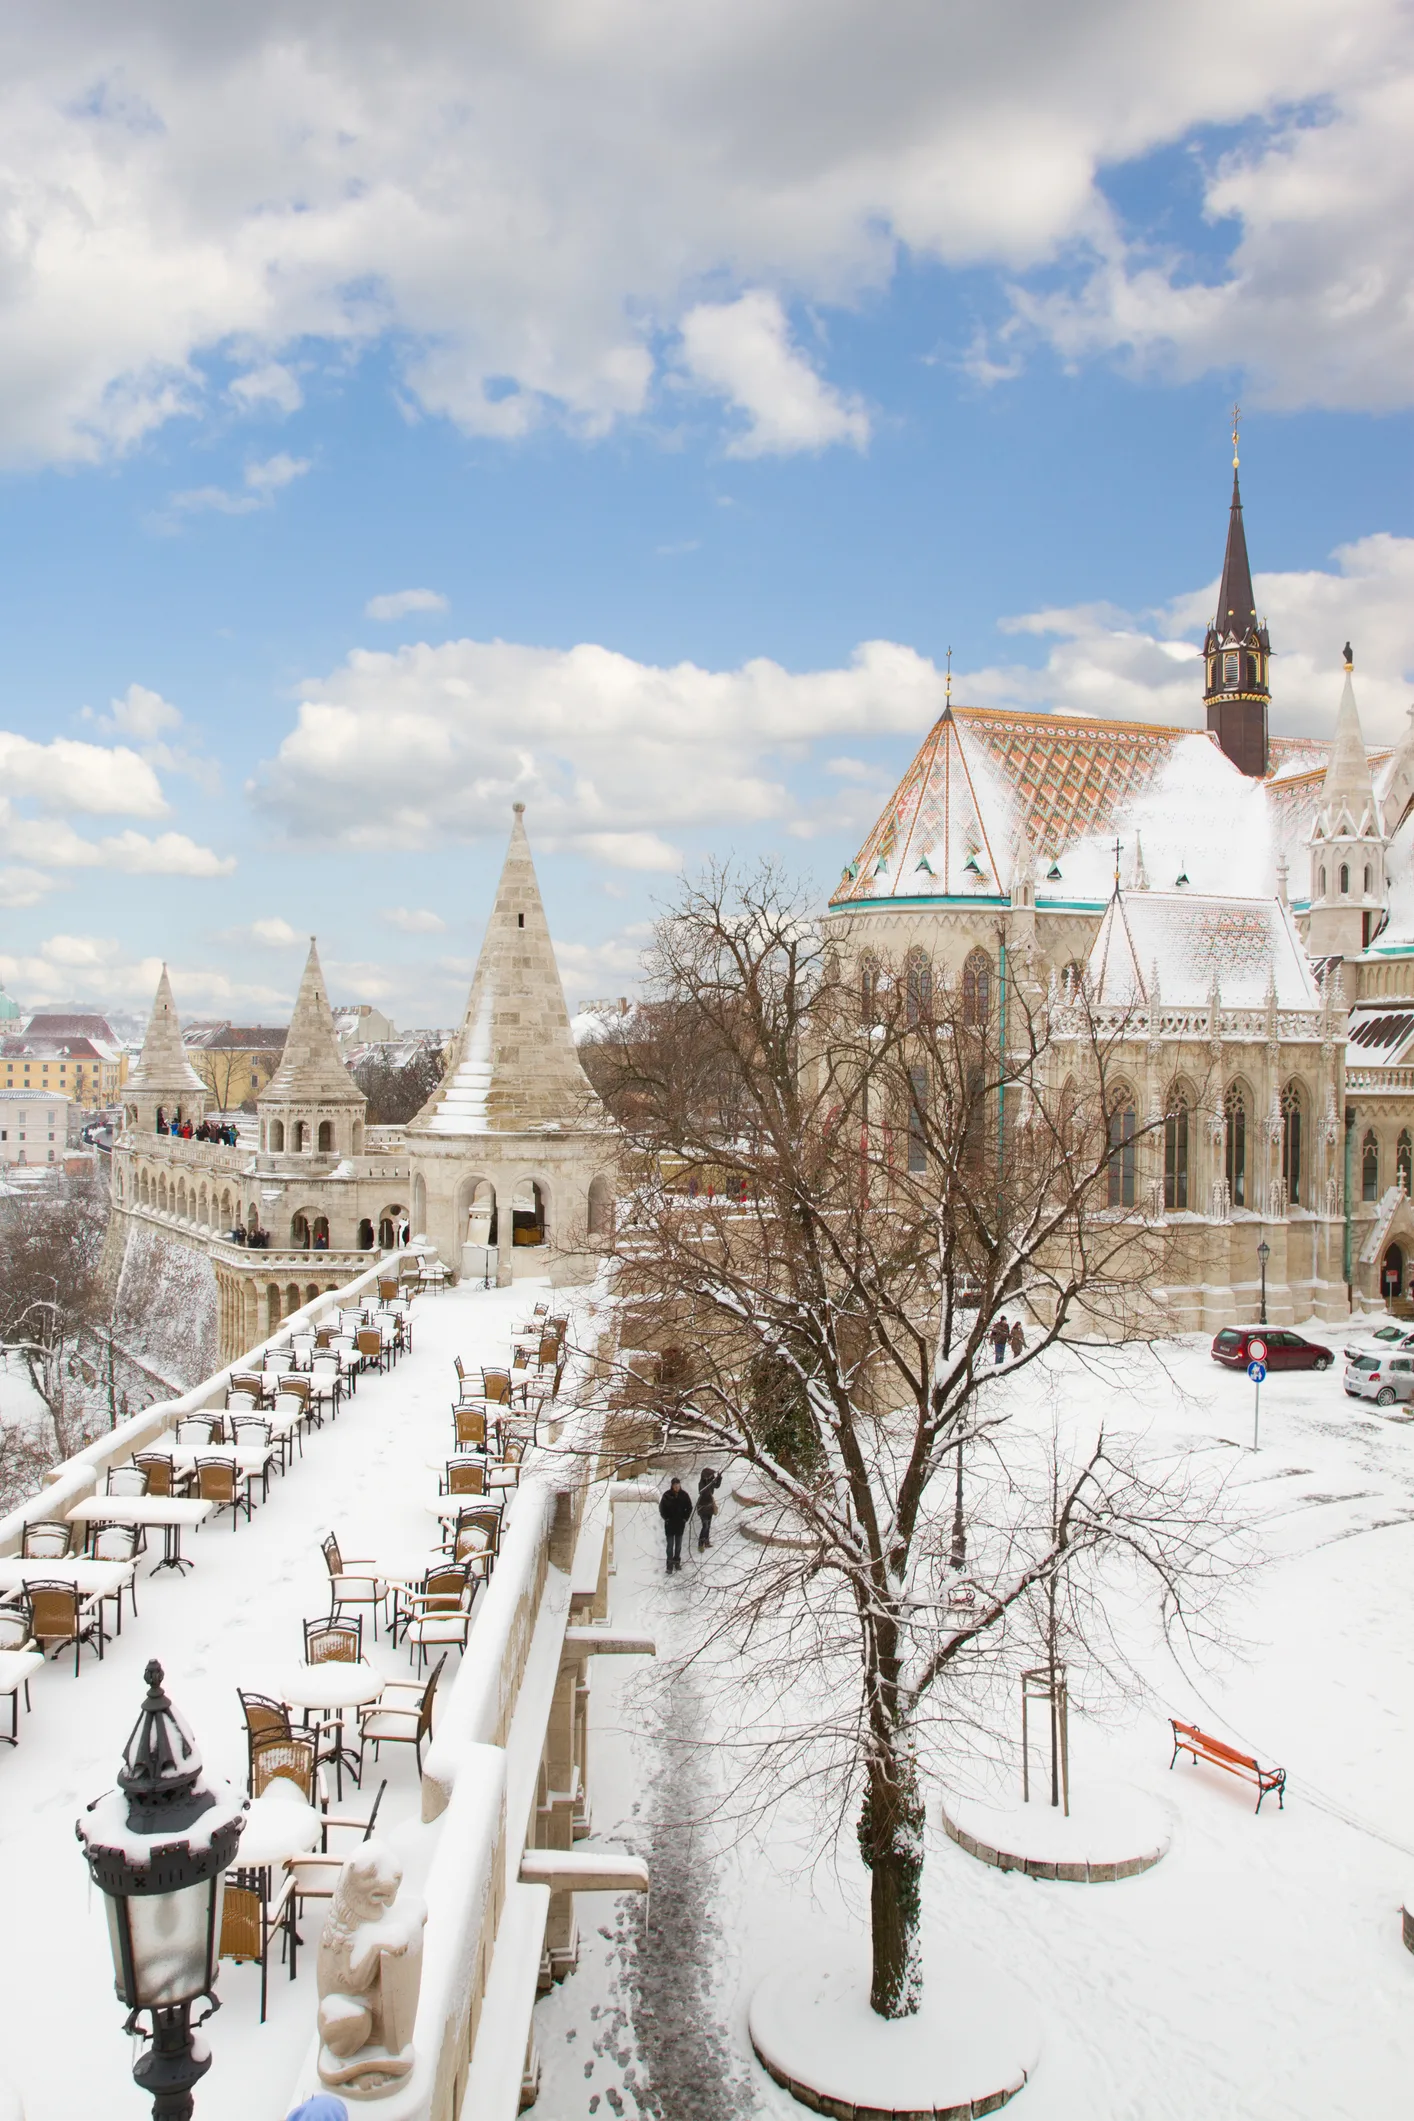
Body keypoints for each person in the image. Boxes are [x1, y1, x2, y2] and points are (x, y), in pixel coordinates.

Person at [659, 1477, 693, 1573]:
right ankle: (669, 1565)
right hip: (670, 1525)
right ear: (672, 1486)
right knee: (670, 1545)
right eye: (675, 1486)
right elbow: (662, 1508)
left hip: (679, 1525)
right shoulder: (667, 1495)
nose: (677, 1488)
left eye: (678, 1486)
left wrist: (685, 1518)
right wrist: (666, 1518)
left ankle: (677, 1562)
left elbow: (689, 1507)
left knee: (678, 1545)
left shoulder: (684, 1495)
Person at [696, 1467, 722, 1550]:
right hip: (702, 1507)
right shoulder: (701, 1483)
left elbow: (717, 1486)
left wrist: (719, 1478)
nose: (712, 1477)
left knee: (708, 1525)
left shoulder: (711, 1481)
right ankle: (700, 1543)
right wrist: (710, 1482)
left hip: (709, 1506)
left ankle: (706, 1542)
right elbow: (703, 1492)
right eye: (711, 1476)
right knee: (705, 1525)